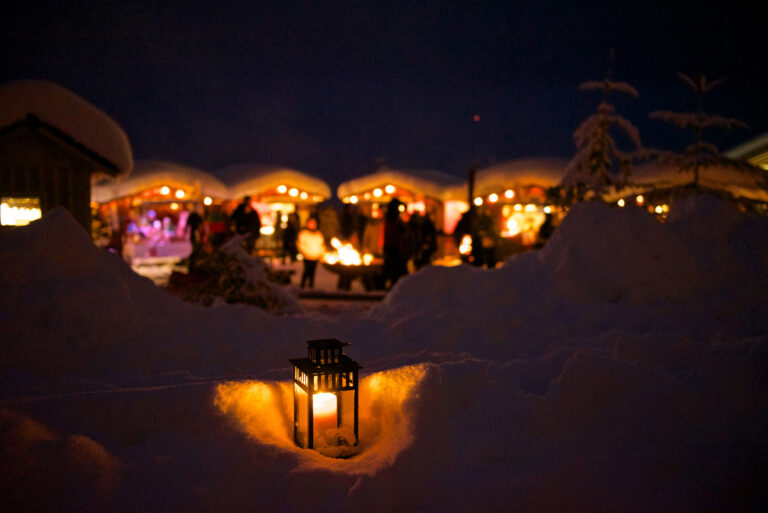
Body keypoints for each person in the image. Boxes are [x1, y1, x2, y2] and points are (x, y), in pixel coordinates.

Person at [382, 198, 409, 288]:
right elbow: (396, 236)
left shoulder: (390, 220)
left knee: (392, 270)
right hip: (395, 249)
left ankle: (391, 287)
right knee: (396, 271)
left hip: (392, 248)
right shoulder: (393, 221)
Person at [297, 217, 325, 288]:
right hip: (307, 256)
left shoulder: (318, 234)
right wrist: (304, 252)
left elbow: (321, 245)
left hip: (315, 257)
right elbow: (300, 244)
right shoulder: (304, 234)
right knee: (306, 271)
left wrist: (321, 253)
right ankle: (302, 284)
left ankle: (311, 285)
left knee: (313, 272)